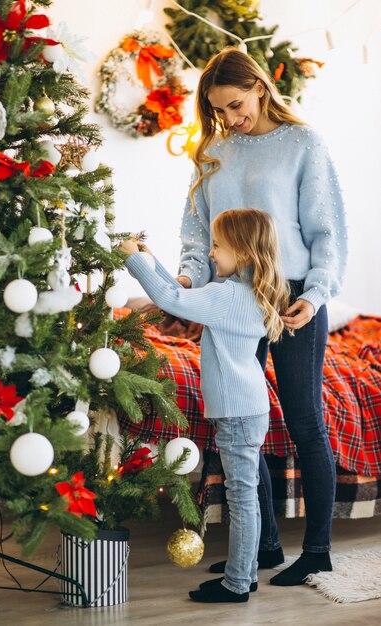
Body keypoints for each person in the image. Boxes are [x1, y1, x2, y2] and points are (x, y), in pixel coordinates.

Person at [177, 47, 347, 587]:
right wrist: (187, 279)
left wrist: (316, 295)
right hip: (233, 299)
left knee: (303, 419)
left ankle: (317, 550)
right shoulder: (212, 149)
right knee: (239, 424)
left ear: (257, 85)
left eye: (234, 104)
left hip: (293, 295)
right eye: (219, 110)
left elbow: (326, 232)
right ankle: (262, 548)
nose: (229, 118)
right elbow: (197, 234)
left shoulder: (303, 144)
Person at [121, 208, 290, 603]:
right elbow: (181, 296)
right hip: (249, 408)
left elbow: (170, 299)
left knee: (242, 497)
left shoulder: (226, 295)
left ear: (243, 253)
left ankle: (236, 584)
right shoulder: (249, 293)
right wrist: (151, 260)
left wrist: (132, 260)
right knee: (244, 496)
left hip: (237, 413)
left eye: (217, 246)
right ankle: (243, 575)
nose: (212, 254)